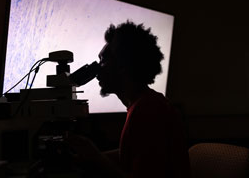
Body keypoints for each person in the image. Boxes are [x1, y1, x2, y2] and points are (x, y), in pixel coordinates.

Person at [67, 20, 190, 178]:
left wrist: (96, 158)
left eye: (103, 61)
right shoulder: (148, 103)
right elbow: (136, 152)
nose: (97, 70)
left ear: (123, 65)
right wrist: (87, 157)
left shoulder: (148, 111)